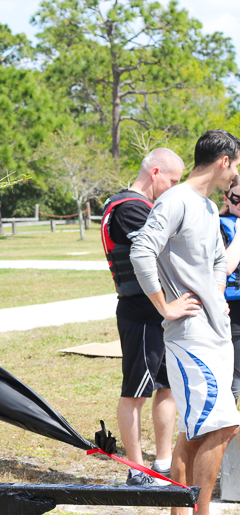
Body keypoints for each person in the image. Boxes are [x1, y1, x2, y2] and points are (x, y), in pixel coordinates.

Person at [130, 129, 240, 515]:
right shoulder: (174, 201)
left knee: (196, 428)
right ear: (224, 161)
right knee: (222, 425)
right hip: (188, 334)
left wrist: (217, 295)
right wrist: (165, 305)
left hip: (214, 329)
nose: (236, 176)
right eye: (236, 165)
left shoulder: (209, 208)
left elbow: (215, 260)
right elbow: (142, 249)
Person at [100, 147, 184, 487]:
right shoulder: (130, 208)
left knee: (166, 387)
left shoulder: (132, 206)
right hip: (141, 311)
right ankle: (137, 470)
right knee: (135, 390)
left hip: (155, 312)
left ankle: (160, 464)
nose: (176, 188)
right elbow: (158, 255)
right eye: (173, 180)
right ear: (155, 173)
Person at [219, 181, 240, 400]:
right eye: (237, 198)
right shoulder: (219, 225)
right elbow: (223, 267)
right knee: (234, 380)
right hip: (232, 309)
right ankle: (225, 433)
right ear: (226, 199)